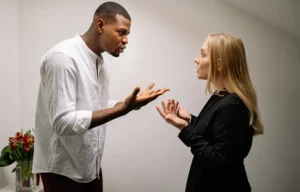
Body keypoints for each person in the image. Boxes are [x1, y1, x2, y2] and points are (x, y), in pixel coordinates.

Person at [32, 2, 169, 192]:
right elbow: (62, 122)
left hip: (90, 167)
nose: (126, 40)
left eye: (127, 34)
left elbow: (98, 104)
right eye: (121, 32)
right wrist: (122, 109)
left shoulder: (101, 63)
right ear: (100, 25)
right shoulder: (62, 57)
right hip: (62, 169)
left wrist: (129, 104)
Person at [156, 33, 264, 192]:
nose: (196, 59)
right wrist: (190, 121)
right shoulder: (222, 97)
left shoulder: (232, 104)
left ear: (219, 64)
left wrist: (184, 128)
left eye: (203, 55)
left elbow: (218, 159)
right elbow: (216, 134)